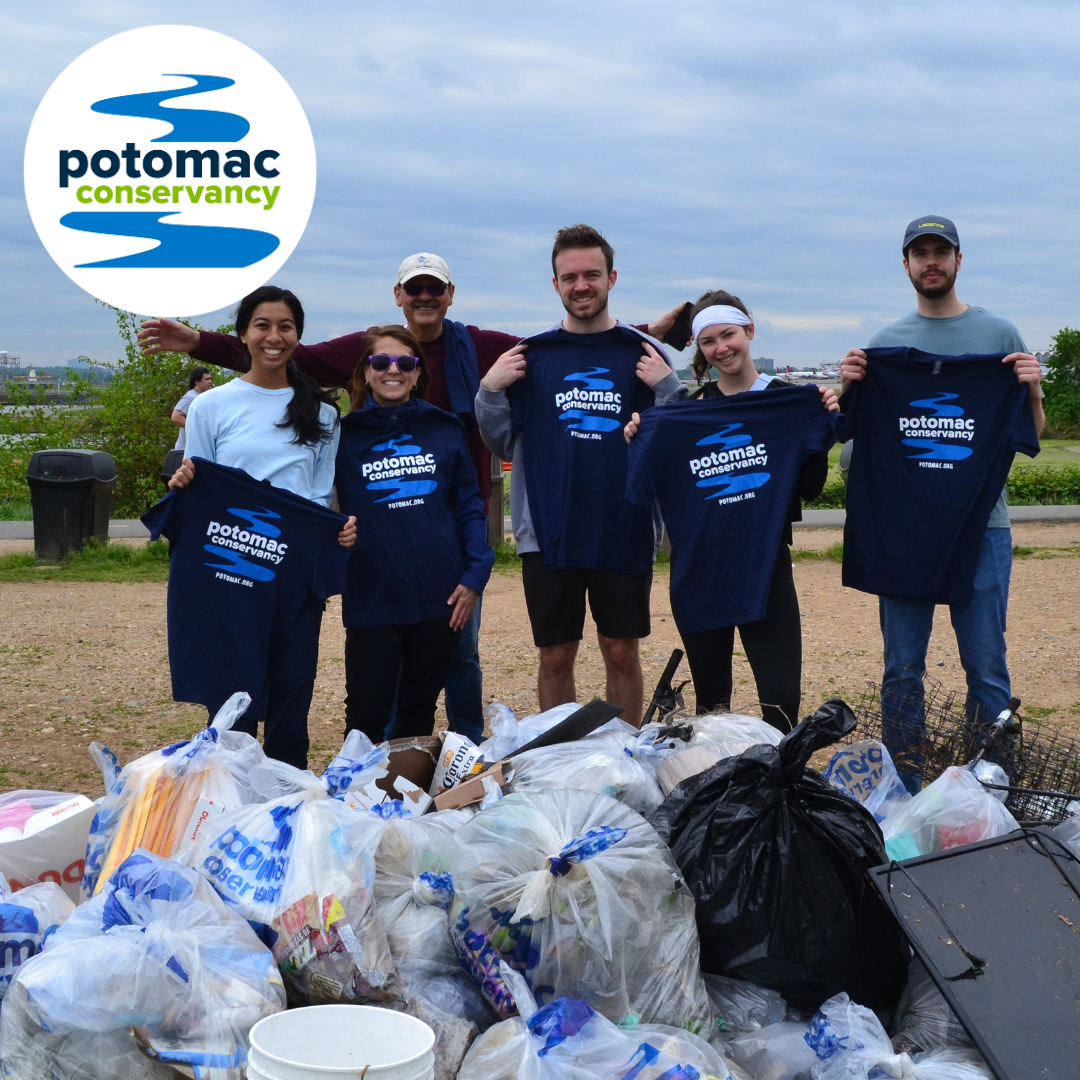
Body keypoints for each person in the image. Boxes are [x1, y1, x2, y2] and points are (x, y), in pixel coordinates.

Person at [138, 255, 684, 743]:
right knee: (364, 679)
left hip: (445, 540)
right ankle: (358, 761)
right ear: (397, 299)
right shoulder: (354, 385)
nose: (424, 300)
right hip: (370, 566)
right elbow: (282, 352)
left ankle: (462, 744)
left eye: (435, 290)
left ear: (449, 296)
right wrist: (197, 343)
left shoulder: (476, 348)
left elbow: (562, 345)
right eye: (414, 290)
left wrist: (644, 335)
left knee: (458, 656)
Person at [839, 215, 1044, 792]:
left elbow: (1031, 432)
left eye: (941, 252)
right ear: (906, 265)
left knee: (986, 666)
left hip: (984, 528)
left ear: (958, 261)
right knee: (902, 668)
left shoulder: (1000, 335)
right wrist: (853, 387)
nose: (931, 261)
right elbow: (854, 445)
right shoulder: (883, 345)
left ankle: (993, 786)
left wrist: (1029, 386)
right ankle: (904, 786)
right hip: (905, 531)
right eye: (920, 253)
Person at [476, 225, 686, 725]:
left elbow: (673, 441)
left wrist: (670, 388)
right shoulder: (533, 355)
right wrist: (488, 390)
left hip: (624, 526)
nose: (581, 285)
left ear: (611, 277)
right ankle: (562, 762)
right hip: (549, 531)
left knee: (619, 651)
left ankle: (626, 758)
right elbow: (503, 442)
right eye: (569, 277)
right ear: (555, 285)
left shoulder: (643, 354)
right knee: (555, 655)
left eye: (592, 274)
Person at [624, 290, 839, 731]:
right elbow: (649, 484)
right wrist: (640, 438)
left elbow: (812, 489)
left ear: (749, 332)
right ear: (698, 349)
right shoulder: (685, 412)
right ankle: (719, 791)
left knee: (780, 704)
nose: (721, 348)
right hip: (699, 569)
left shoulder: (785, 401)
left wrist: (819, 428)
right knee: (711, 708)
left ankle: (777, 790)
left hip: (766, 565)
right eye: (708, 341)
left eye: (729, 335)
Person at [168, 286, 357, 768]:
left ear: (298, 335)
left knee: (293, 693)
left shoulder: (324, 414)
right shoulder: (209, 407)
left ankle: (287, 801)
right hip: (229, 570)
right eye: (263, 326)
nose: (274, 337)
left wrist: (337, 532)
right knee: (233, 698)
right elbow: (200, 488)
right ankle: (228, 798)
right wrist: (182, 481)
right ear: (243, 335)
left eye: (286, 327)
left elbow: (318, 499)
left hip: (294, 574)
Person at [334, 325, 494, 743]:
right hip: (374, 593)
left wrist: (476, 573)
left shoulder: (443, 427)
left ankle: (404, 801)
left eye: (405, 363)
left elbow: (469, 506)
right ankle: (353, 801)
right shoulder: (343, 436)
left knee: (418, 711)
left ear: (417, 372)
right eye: (381, 362)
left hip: (438, 593)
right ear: (365, 372)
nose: (393, 370)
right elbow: (305, 496)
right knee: (366, 716)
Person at [170, 366, 213, 450]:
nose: (210, 382)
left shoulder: (203, 397)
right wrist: (196, 429)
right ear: (197, 381)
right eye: (206, 379)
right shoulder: (190, 397)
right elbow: (176, 417)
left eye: (210, 379)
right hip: (185, 449)